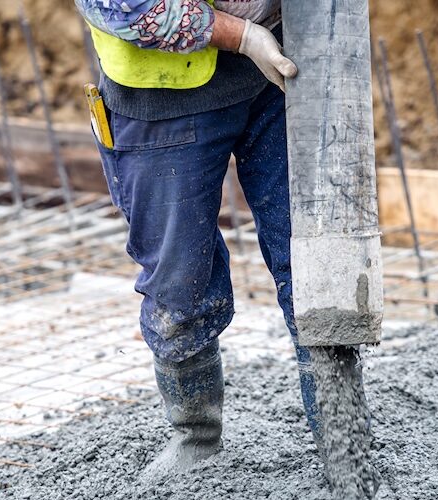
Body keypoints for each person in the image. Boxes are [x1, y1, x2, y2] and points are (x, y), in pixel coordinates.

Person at [74, 0, 356, 480]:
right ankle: (197, 438)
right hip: (162, 96)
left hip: (286, 70)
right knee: (178, 279)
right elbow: (128, 8)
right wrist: (243, 36)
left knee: (317, 258)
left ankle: (344, 441)